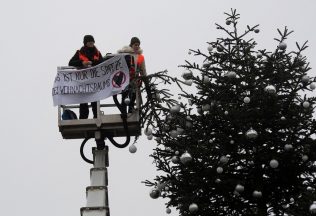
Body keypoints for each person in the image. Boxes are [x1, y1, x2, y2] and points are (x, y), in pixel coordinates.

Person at [69, 35, 104, 119]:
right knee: (83, 102)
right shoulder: (79, 53)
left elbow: (102, 63)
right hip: (83, 82)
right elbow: (71, 63)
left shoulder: (98, 53)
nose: (91, 43)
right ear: (85, 43)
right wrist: (82, 63)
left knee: (95, 101)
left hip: (94, 81)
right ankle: (83, 119)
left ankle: (96, 118)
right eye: (89, 42)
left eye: (92, 42)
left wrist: (93, 63)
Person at [117, 37, 147, 113]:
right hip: (125, 79)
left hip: (135, 80)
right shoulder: (124, 54)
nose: (137, 46)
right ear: (131, 45)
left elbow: (143, 70)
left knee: (133, 96)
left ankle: (131, 110)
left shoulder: (140, 57)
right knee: (125, 96)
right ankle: (123, 112)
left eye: (138, 45)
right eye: (135, 45)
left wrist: (146, 80)